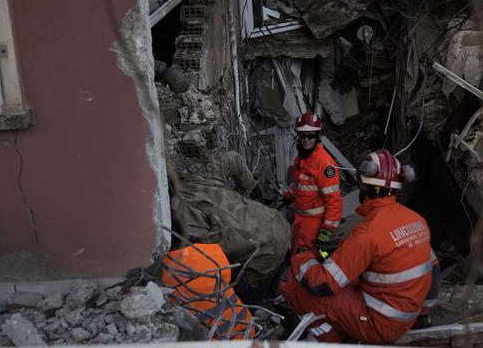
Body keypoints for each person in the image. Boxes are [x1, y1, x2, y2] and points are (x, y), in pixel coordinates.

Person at [279, 149, 439, 343]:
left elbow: (322, 284)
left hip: (380, 326)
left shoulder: (367, 233)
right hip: (406, 316)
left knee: (293, 283)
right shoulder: (416, 220)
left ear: (364, 188)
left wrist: (302, 257)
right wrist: (422, 314)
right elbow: (434, 270)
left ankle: (332, 340)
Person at [171, 150, 291, 302]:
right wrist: (243, 192)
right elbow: (233, 158)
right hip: (277, 221)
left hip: (267, 250)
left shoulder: (193, 230)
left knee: (244, 293)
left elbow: (213, 258)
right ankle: (276, 285)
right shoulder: (197, 181)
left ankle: (264, 300)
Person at [284, 112, 343, 252]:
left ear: (317, 136)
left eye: (310, 136)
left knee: (304, 259)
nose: (306, 139)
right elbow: (301, 184)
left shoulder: (324, 164)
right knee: (295, 254)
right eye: (303, 136)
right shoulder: (301, 159)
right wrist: (288, 196)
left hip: (314, 223)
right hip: (300, 218)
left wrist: (328, 229)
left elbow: (334, 200)